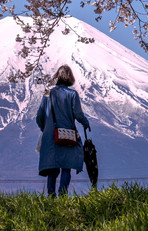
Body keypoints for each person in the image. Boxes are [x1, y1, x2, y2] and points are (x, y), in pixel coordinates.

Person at [36, 64, 90, 196]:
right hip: (68, 135)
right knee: (66, 166)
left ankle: (51, 195)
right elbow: (78, 114)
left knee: (52, 169)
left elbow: (39, 116)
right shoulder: (72, 94)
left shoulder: (48, 94)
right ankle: (63, 194)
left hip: (50, 137)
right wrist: (85, 123)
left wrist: (46, 129)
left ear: (57, 77)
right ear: (70, 77)